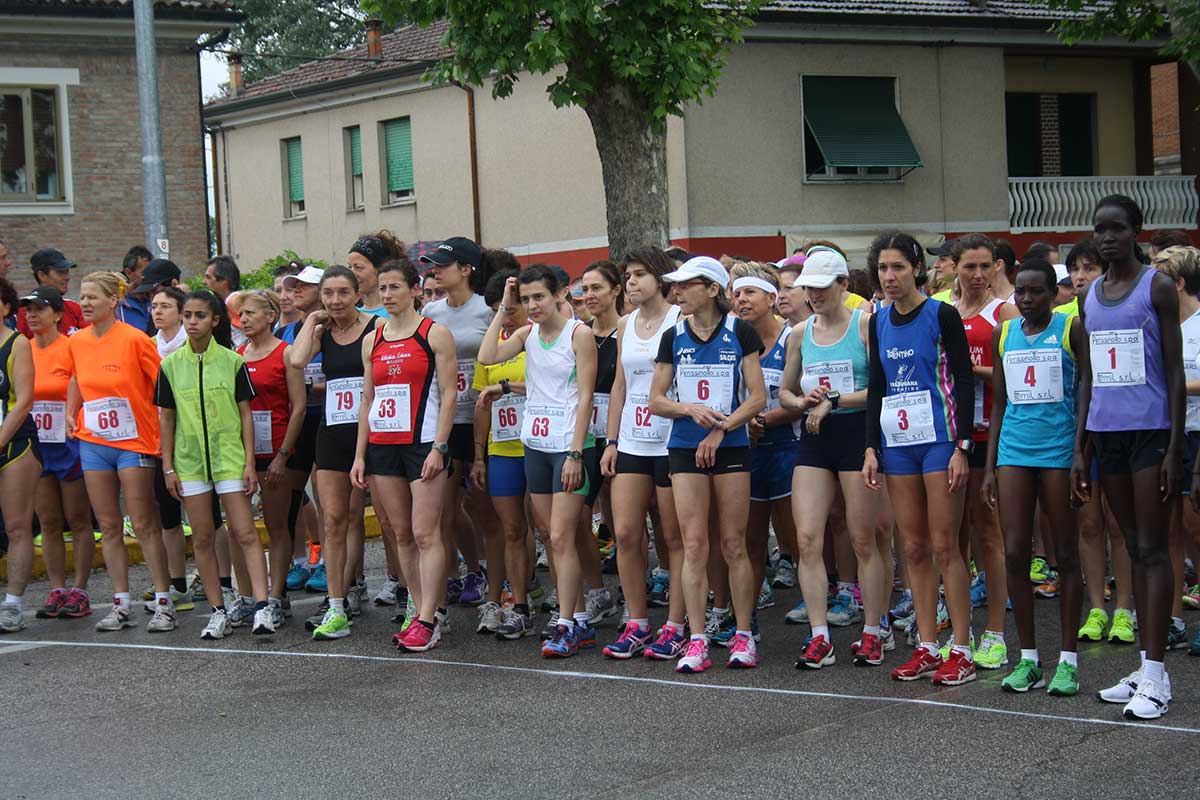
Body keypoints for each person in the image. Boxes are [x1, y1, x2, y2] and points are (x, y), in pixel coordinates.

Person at [1074, 195, 1184, 720]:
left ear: (1136, 231)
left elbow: (1175, 370)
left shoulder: (1155, 287)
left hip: (1151, 432)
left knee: (1152, 548)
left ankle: (1158, 676)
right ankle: (1146, 666)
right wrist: (1080, 446)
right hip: (1106, 435)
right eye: (1100, 229)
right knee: (1134, 550)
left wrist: (1176, 446)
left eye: (1117, 228)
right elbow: (1088, 376)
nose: (1107, 237)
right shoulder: (1089, 296)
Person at [861, 232, 976, 685]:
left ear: (917, 270)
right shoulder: (877, 321)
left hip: (940, 441)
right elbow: (877, 386)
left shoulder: (942, 314)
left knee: (946, 544)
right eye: (882, 269)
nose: (889, 277)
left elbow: (963, 379)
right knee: (912, 547)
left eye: (898, 267)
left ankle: (962, 648)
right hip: (898, 444)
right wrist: (871, 447)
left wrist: (962, 445)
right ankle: (927, 645)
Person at [650, 256, 767, 673]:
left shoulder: (740, 331)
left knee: (733, 543)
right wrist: (689, 409)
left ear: (713, 290)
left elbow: (757, 397)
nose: (677, 292)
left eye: (686, 285)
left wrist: (722, 428)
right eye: (675, 285)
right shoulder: (673, 335)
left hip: (731, 445)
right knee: (695, 544)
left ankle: (743, 633)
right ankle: (696, 638)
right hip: (684, 447)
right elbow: (656, 400)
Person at [478, 265, 597, 658]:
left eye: (539, 297)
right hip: (536, 445)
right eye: (526, 299)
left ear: (559, 294)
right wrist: (504, 306)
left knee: (561, 537)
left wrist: (576, 453)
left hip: (569, 446)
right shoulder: (526, 334)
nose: (532, 305)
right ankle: (579, 617)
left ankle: (565, 623)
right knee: (549, 535)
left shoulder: (579, 335)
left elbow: (585, 396)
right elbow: (487, 356)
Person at [981, 258, 1086, 695]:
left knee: (1065, 552)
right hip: (1014, 451)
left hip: (1059, 449)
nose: (1026, 299)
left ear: (1054, 293)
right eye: (1020, 291)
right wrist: (990, 466)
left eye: (1036, 291)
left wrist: (1080, 451)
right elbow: (1000, 402)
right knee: (1014, 552)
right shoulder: (1003, 333)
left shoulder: (1070, 329)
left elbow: (1086, 390)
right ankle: (1028, 658)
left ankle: (1068, 660)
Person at [778, 250, 885, 667]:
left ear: (843, 285)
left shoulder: (865, 325)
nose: (815, 295)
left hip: (857, 434)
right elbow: (786, 393)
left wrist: (835, 400)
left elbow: (881, 388)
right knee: (807, 539)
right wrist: (802, 401)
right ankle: (819, 635)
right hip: (815, 435)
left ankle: (873, 631)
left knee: (863, 538)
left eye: (823, 287)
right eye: (810, 288)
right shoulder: (800, 333)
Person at [350, 259, 457, 651]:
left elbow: (449, 394)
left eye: (395, 286)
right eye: (383, 287)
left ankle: (429, 618)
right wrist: (360, 456)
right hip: (383, 444)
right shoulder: (373, 339)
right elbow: (367, 400)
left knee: (426, 532)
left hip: (422, 443)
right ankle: (419, 610)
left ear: (415, 290)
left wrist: (440, 446)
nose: (388, 294)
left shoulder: (434, 333)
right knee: (401, 534)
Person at [157, 290, 273, 639]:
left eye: (200, 316)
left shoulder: (232, 361)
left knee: (245, 532)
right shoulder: (169, 365)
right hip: (190, 462)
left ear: (215, 321)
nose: (193, 322)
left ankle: (263, 606)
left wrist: (249, 463)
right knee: (203, 538)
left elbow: (245, 414)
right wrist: (168, 467)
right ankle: (217, 610)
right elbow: (167, 418)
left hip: (230, 459)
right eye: (188, 315)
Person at [68, 271, 174, 632]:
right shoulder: (77, 341)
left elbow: (163, 387)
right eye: (82, 297)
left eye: (92, 297)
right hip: (94, 441)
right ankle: (121, 603)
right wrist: (71, 411)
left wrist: (163, 433)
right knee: (109, 525)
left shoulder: (135, 340)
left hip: (134, 442)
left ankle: (164, 602)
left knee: (143, 522)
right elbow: (76, 377)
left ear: (113, 300)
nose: (84, 303)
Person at [600, 247, 688, 659]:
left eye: (639, 275)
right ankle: (637, 622)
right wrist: (611, 441)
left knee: (674, 537)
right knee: (626, 533)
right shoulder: (625, 323)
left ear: (660, 278)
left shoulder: (680, 319)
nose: (631, 282)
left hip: (671, 439)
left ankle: (676, 623)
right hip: (632, 440)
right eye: (628, 276)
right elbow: (620, 385)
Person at [287, 266, 381, 639]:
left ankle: (403, 595)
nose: (335, 300)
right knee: (334, 519)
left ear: (357, 294)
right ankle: (337, 602)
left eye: (343, 292)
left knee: (383, 521)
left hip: (372, 431)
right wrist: (312, 320)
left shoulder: (376, 327)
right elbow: (297, 360)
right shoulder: (322, 330)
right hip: (333, 432)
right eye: (328, 293)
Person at [950, 234, 1017, 670]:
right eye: (969, 267)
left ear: (996, 267)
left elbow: (1017, 371)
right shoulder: (945, 311)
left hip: (991, 434)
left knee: (988, 533)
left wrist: (969, 369)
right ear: (953, 268)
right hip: (951, 435)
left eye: (985, 266)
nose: (977, 275)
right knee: (952, 537)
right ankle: (959, 632)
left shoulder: (1004, 312)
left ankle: (995, 632)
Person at [419, 237, 493, 609]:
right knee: (445, 510)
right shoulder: (430, 312)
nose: (435, 271)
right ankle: (459, 574)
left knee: (484, 506)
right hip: (445, 419)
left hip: (481, 417)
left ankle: (500, 576)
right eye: (433, 265)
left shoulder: (486, 310)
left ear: (466, 270)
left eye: (443, 265)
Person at [731, 261, 801, 644]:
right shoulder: (734, 340)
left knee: (796, 537)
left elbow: (802, 398)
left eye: (750, 292)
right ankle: (749, 616)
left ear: (772, 299)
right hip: (750, 449)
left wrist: (765, 419)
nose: (741, 300)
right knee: (751, 538)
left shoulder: (792, 338)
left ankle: (818, 606)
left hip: (788, 446)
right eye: (737, 293)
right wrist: (745, 424)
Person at [237, 289, 308, 628]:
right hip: (245, 454)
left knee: (277, 525)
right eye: (241, 314)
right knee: (242, 528)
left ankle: (277, 597)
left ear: (270, 316)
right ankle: (249, 596)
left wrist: (283, 455)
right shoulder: (237, 355)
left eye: (250, 313)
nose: (244, 319)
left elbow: (299, 407)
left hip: (278, 450)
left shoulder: (286, 353)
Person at [24, 287, 94, 621]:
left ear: (56, 315)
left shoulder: (71, 347)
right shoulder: (22, 349)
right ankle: (57, 588)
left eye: (39, 309)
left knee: (78, 519)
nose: (32, 315)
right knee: (48, 521)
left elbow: (85, 388)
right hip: (37, 446)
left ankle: (79, 589)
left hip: (68, 443)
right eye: (28, 310)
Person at [472, 270, 536, 639]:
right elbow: (481, 406)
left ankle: (566, 603)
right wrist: (479, 455)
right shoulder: (493, 345)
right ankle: (518, 602)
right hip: (503, 449)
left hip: (540, 446)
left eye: (512, 309)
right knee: (511, 527)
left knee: (548, 529)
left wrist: (509, 386)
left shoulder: (543, 338)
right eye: (500, 310)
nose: (507, 316)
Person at [1151, 245, 1200, 651]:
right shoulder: (1157, 322)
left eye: (1160, 277)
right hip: (1166, 432)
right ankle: (1174, 619)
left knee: (1194, 527)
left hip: (1198, 433)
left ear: (1179, 283)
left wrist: (1172, 384)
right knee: (1168, 528)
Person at [0, 278, 43, 632]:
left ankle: (13, 604)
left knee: (16, 526)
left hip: (15, 444)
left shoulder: (18, 344)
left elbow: (24, 401)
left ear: (4, 306)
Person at [17, 248, 85, 337]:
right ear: (42, 275)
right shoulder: (20, 311)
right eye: (60, 272)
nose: (67, 277)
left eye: (67, 271)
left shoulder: (75, 308)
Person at [348, 232, 406, 317]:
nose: (352, 274)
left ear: (381, 268)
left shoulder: (398, 312)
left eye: (358, 267)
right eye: (350, 267)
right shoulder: (350, 314)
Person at [123, 259, 182, 334]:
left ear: (174, 284)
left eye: (155, 291)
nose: (152, 299)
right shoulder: (153, 320)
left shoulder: (191, 327)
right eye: (147, 294)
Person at [205, 255, 245, 348]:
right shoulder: (228, 301)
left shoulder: (233, 301)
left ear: (224, 280)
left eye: (208, 277)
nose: (204, 282)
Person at [115, 246, 154, 332]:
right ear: (128, 272)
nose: (150, 276)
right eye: (144, 273)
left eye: (152, 272)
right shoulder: (117, 304)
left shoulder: (157, 300)